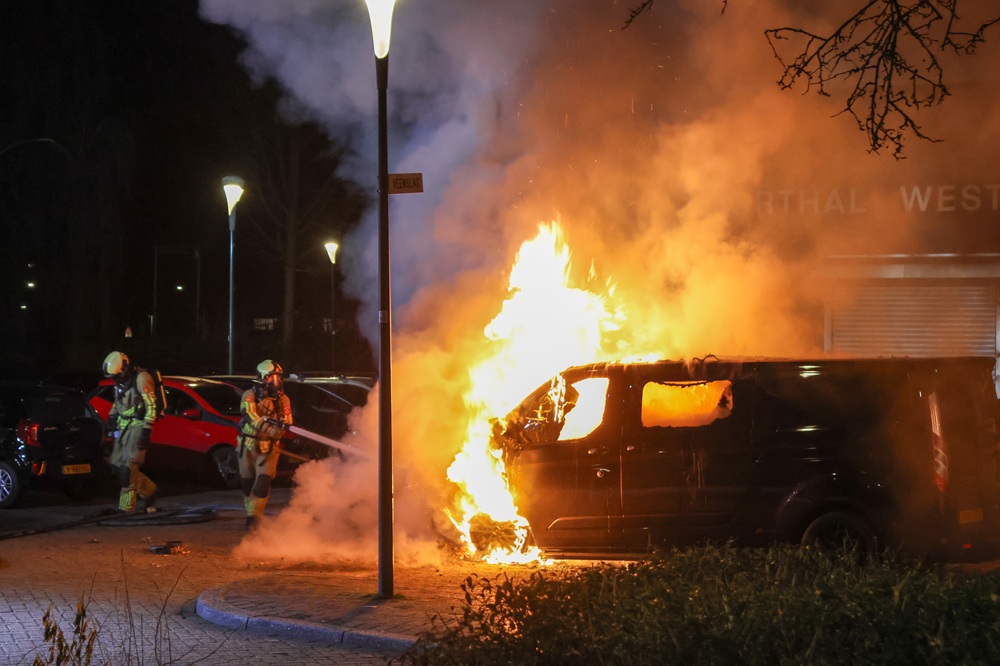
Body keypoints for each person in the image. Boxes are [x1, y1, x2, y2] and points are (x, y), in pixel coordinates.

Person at [237, 359, 292, 530]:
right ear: (262, 377)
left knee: (262, 484)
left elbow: (288, 419)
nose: (276, 381)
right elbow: (251, 416)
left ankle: (253, 518)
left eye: (278, 377)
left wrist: (281, 427)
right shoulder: (249, 395)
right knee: (247, 484)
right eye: (272, 377)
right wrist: (269, 428)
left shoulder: (283, 400)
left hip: (269, 448)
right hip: (247, 445)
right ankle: (250, 511)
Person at [102, 351, 158, 513]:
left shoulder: (141, 379)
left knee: (128, 470)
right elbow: (117, 403)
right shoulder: (119, 382)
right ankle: (150, 491)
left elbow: (151, 406)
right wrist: (111, 423)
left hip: (138, 426)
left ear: (125, 368)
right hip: (123, 427)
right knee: (116, 467)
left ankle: (126, 508)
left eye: (117, 375)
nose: (115, 379)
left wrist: (146, 432)